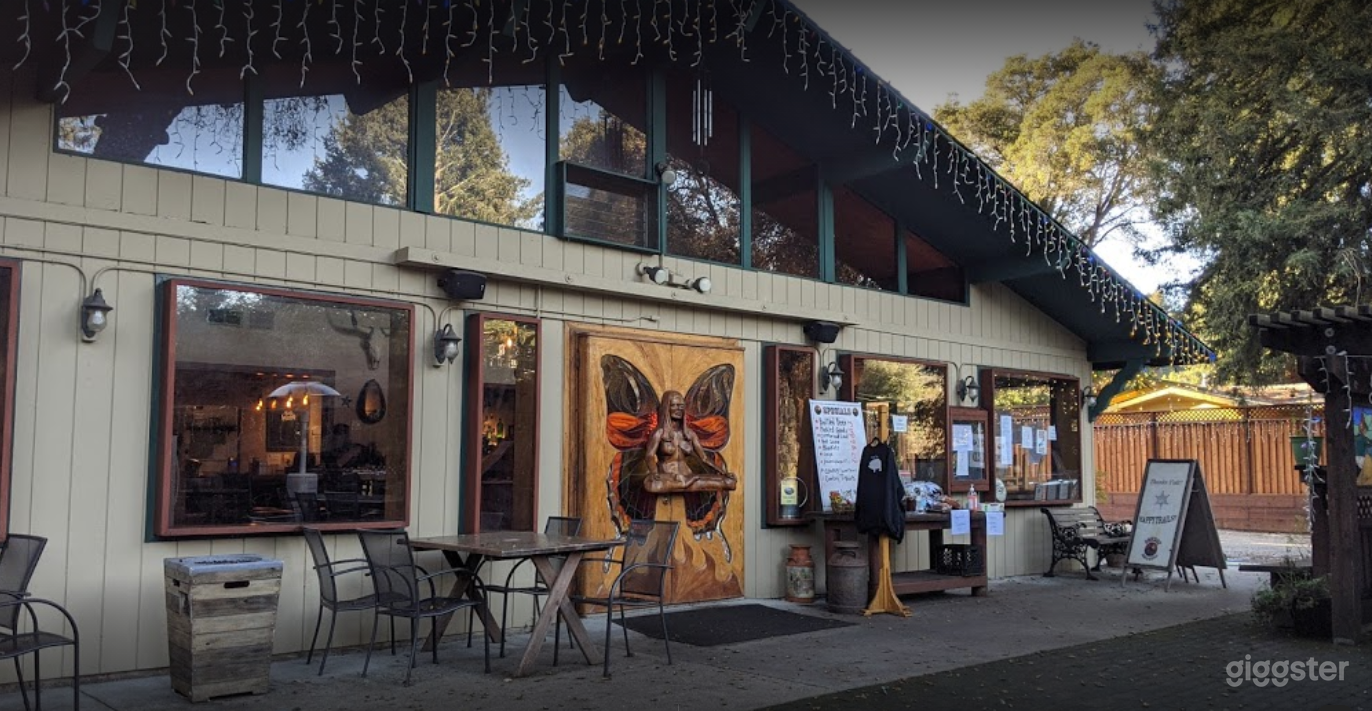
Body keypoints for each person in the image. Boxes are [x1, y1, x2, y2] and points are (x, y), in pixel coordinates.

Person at [643, 391, 737, 494]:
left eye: (681, 406)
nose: (678, 409)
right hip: (667, 478)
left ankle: (688, 482)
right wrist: (654, 472)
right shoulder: (659, 433)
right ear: (666, 408)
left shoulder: (690, 434)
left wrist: (723, 472)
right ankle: (686, 483)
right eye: (674, 405)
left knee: (730, 483)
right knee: (653, 484)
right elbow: (649, 456)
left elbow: (704, 458)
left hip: (688, 476)